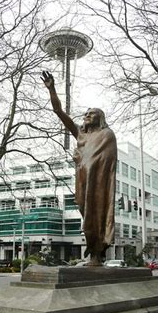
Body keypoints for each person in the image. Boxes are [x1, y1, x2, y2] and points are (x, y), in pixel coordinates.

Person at [41, 71, 117, 266]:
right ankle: (94, 251)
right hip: (82, 181)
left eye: (91, 114)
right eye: (86, 114)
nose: (87, 116)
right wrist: (52, 90)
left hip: (98, 183)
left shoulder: (107, 134)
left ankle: (96, 254)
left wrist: (87, 161)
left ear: (99, 118)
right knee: (85, 210)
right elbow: (60, 113)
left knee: (97, 212)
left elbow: (105, 160)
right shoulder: (80, 135)